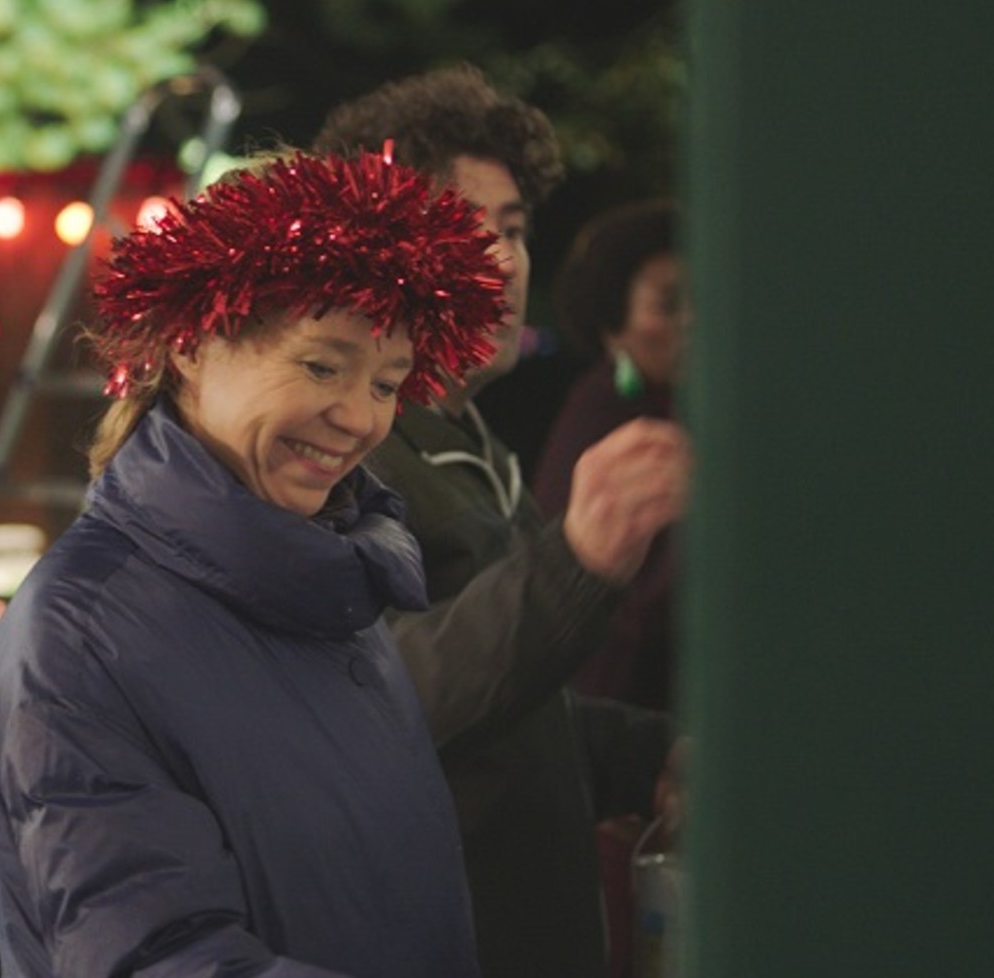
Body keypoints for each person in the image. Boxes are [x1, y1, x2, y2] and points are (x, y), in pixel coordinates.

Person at [0, 150, 508, 976]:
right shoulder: (79, 639)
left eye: (386, 383)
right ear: (192, 343)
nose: (360, 419)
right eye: (321, 365)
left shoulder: (338, 581)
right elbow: (161, 958)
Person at [314, 67, 691, 978]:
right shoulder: (338, 452)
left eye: (512, 229)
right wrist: (579, 559)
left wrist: (651, 756)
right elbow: (375, 697)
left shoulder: (471, 442)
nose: (500, 259)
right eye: (458, 226)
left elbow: (522, 723)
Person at [535, 198, 686, 712]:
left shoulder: (668, 407)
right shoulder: (605, 416)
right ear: (613, 323)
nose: (693, 320)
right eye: (669, 304)